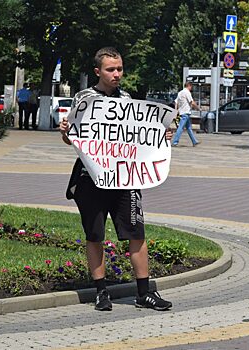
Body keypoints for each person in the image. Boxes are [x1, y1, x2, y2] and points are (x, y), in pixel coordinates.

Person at [59, 47, 173, 312]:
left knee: (136, 233)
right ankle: (101, 292)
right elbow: (73, 138)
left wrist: (161, 137)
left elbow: (136, 136)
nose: (117, 74)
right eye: (111, 69)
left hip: (125, 178)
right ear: (98, 71)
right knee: (95, 235)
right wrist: (65, 131)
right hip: (92, 180)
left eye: (120, 68)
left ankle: (144, 292)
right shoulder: (84, 98)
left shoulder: (127, 99)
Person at [172, 81, 200, 147]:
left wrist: (176, 111)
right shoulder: (187, 92)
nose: (191, 88)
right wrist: (198, 108)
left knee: (189, 128)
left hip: (182, 112)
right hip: (186, 112)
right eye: (191, 87)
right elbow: (192, 102)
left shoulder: (180, 93)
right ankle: (175, 142)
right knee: (180, 127)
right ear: (189, 86)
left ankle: (194, 141)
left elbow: (176, 102)